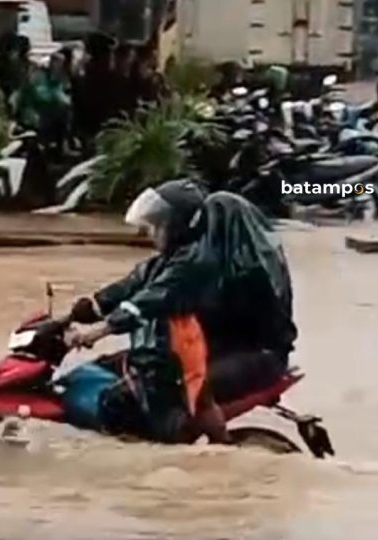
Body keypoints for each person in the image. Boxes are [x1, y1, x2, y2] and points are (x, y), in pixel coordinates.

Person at [67, 180, 297, 444]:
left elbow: (152, 298)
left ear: (176, 226)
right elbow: (132, 284)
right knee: (109, 367)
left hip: (257, 356)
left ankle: (196, 449)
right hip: (213, 347)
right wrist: (79, 312)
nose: (151, 233)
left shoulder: (203, 265)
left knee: (185, 388)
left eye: (158, 226)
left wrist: (100, 330)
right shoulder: (175, 259)